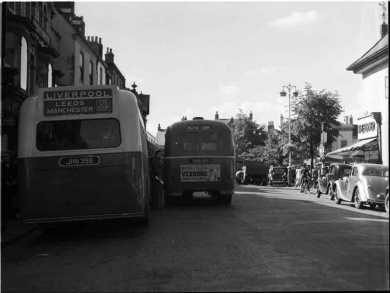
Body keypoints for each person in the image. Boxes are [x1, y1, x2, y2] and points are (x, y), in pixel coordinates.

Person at [2, 151, 18, 232]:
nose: (5, 158)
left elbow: (16, 174)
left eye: (6, 156)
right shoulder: (2, 166)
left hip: (13, 185)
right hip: (4, 187)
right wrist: (5, 182)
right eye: (4, 156)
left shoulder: (13, 165)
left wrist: (15, 181)